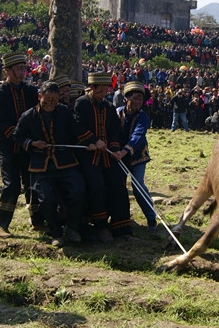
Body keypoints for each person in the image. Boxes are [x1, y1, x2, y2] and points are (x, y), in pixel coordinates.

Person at [13, 82, 90, 246]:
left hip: (65, 163)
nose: (50, 104)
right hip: (40, 166)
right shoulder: (28, 116)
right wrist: (33, 143)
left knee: (79, 190)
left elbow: (77, 130)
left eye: (54, 101)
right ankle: (55, 233)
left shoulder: (63, 111)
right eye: (47, 100)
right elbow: (17, 136)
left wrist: (93, 142)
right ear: (40, 96)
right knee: (46, 199)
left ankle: (72, 227)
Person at [74, 72, 132, 240]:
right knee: (97, 186)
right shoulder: (81, 103)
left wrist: (114, 148)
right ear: (92, 88)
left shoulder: (108, 107)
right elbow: (77, 126)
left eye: (106, 89)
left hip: (107, 157)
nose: (104, 93)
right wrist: (92, 140)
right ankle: (100, 226)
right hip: (88, 155)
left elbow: (114, 131)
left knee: (119, 186)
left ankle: (122, 229)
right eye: (100, 90)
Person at [0, 51, 40, 237]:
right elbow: (2, 123)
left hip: (28, 145)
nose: (22, 73)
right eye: (18, 69)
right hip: (7, 145)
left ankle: (36, 221)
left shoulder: (29, 91)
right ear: (8, 71)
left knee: (32, 182)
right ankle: (2, 224)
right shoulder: (0, 93)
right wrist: (21, 138)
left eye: (23, 69)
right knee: (11, 184)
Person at [114, 81, 157, 233]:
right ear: (126, 98)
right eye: (135, 98)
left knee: (138, 185)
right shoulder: (117, 112)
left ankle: (151, 219)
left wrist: (124, 151)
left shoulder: (143, 117)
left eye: (141, 98)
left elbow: (138, 136)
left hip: (137, 156)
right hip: (119, 156)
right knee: (117, 186)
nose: (138, 102)